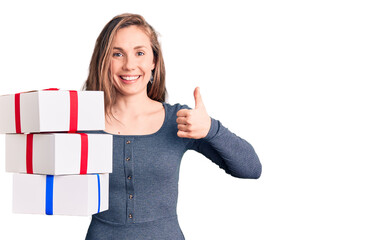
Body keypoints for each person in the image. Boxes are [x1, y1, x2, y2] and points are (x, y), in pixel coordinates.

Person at [82, 13, 262, 240]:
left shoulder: (179, 120)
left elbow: (251, 169)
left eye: (140, 53)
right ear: (104, 60)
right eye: (117, 54)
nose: (129, 65)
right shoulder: (81, 122)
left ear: (153, 61)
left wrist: (211, 129)